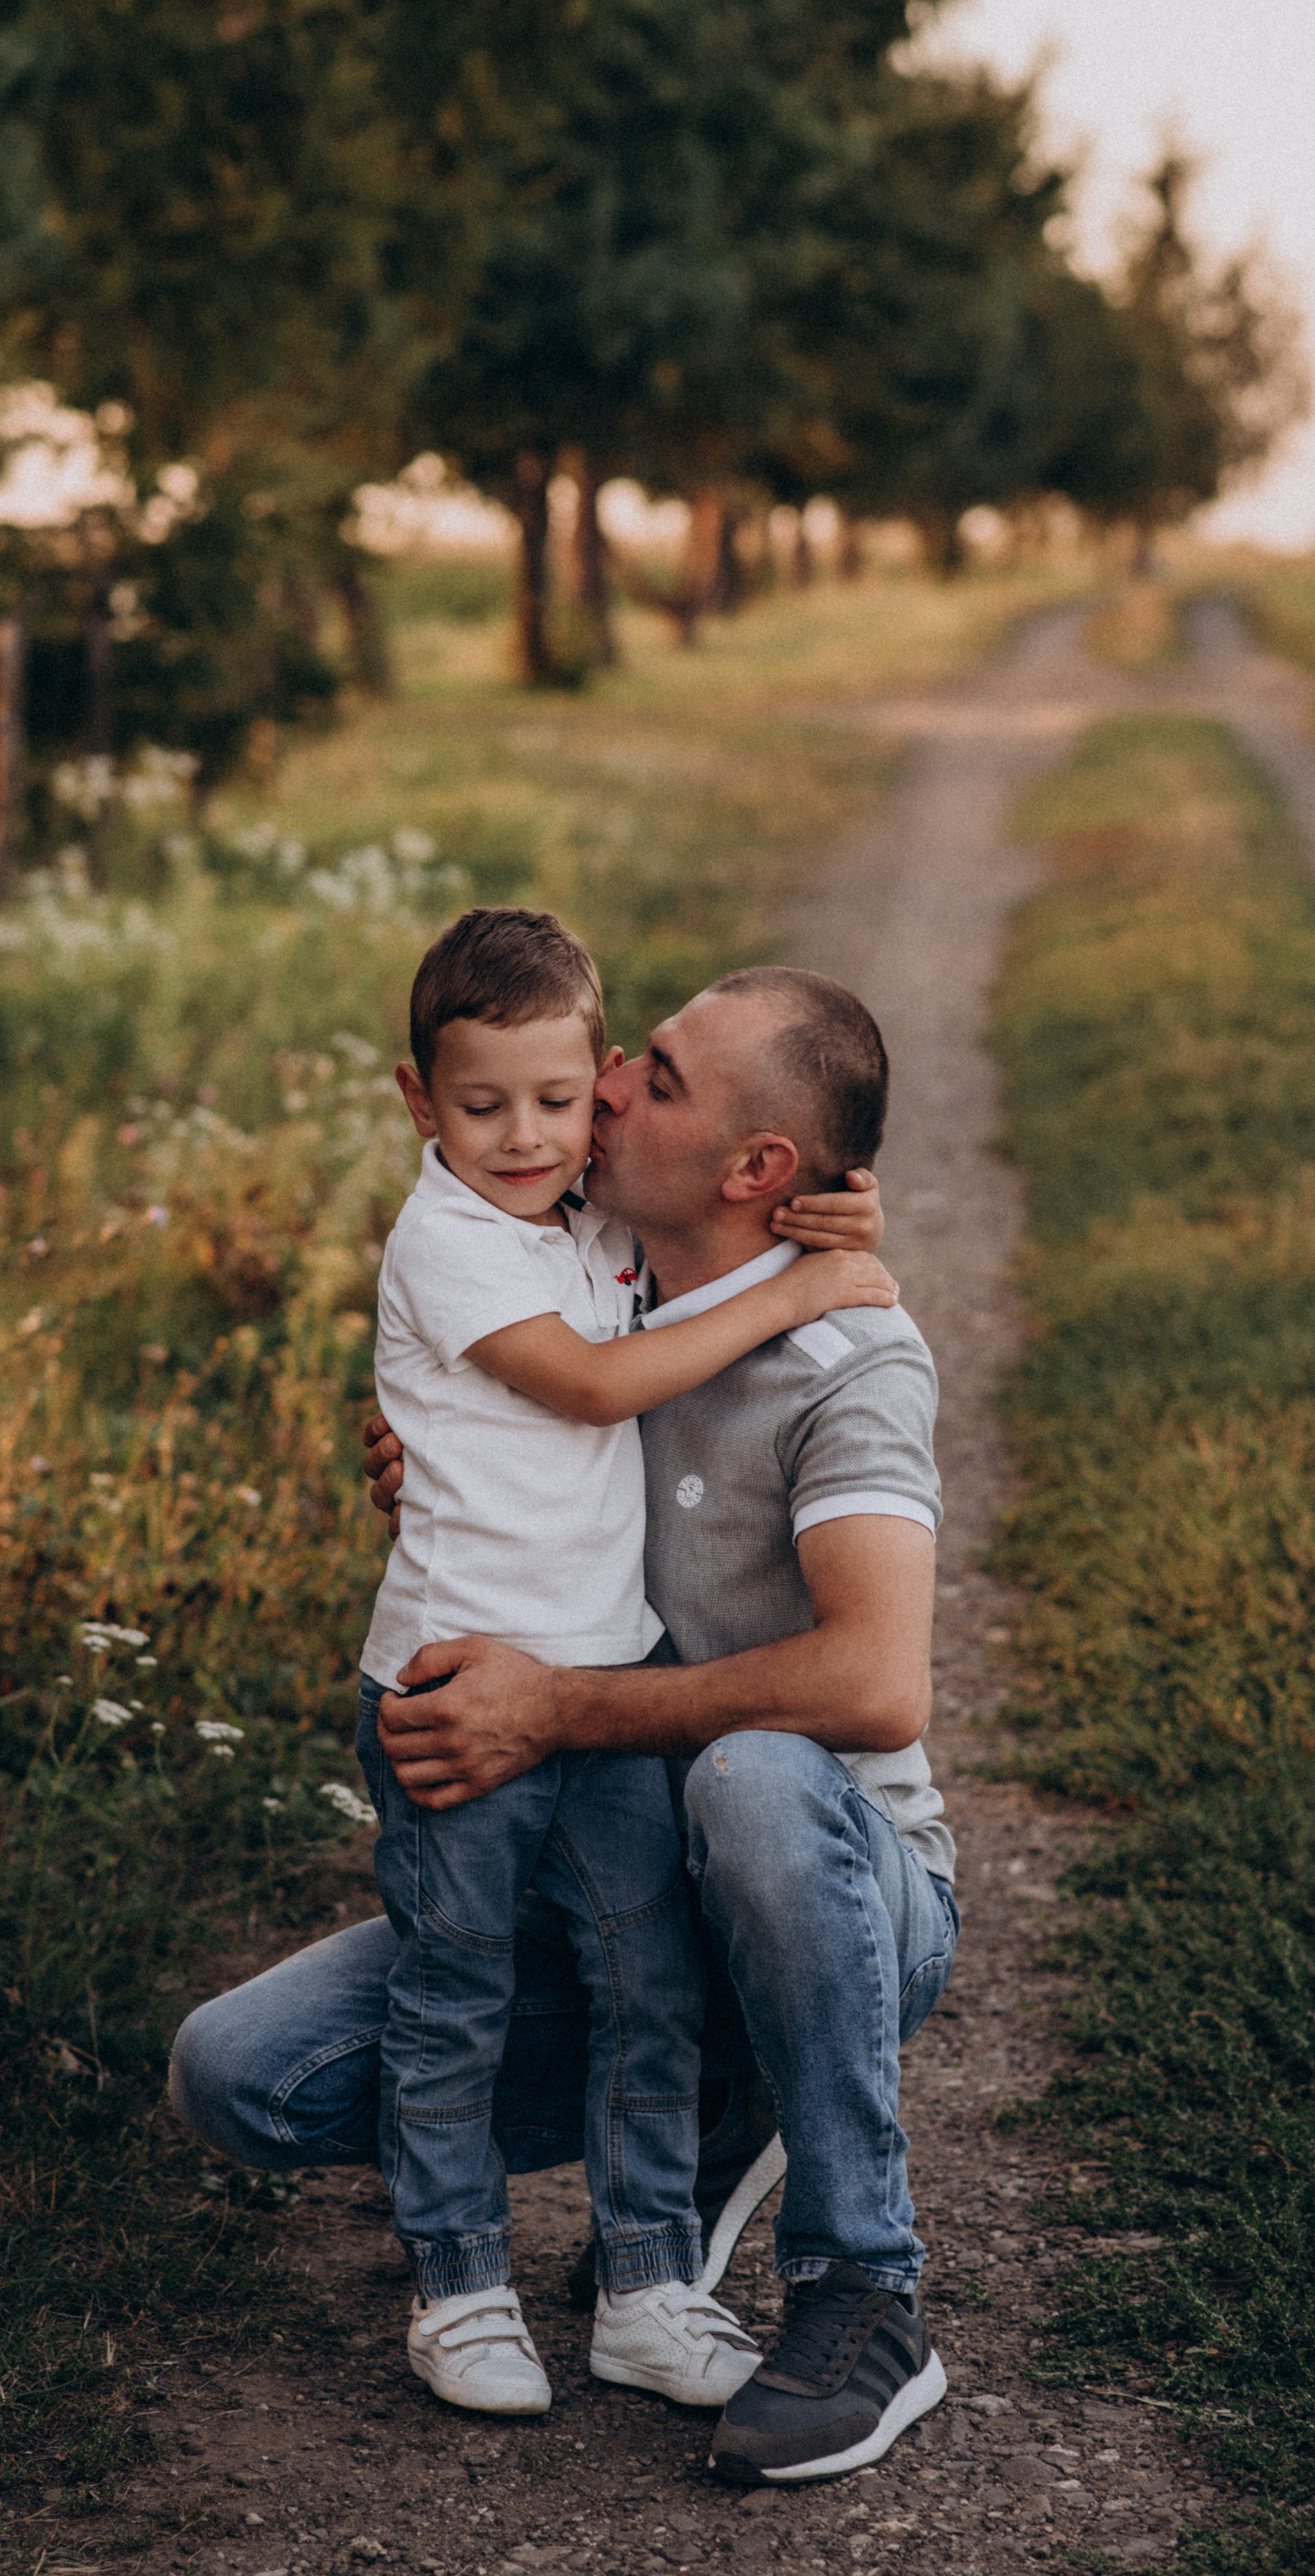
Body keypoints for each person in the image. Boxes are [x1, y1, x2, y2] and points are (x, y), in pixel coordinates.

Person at [172, 960, 956, 2485]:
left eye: (647, 1076)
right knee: (242, 2071)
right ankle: (728, 2093)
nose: (600, 1090)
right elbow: (516, 1412)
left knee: (748, 1773)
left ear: (756, 1170)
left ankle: (862, 2287)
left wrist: (556, 1708)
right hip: (607, 1884)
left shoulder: (851, 1360)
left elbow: (876, 1686)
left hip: (844, 1886)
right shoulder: (591, 1280)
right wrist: (437, 1467)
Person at [340, 908, 894, 2419]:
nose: (527, 1136)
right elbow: (587, 1385)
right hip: (460, 1690)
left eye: (565, 1096)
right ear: (416, 1101)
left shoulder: (586, 1216)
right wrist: (806, 1284)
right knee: (449, 1988)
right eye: (478, 1107)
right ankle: (458, 2282)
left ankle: (647, 2280)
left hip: (601, 1684)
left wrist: (838, 1228)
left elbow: (745, 1197)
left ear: (592, 1084)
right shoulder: (446, 1236)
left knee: (646, 1982)